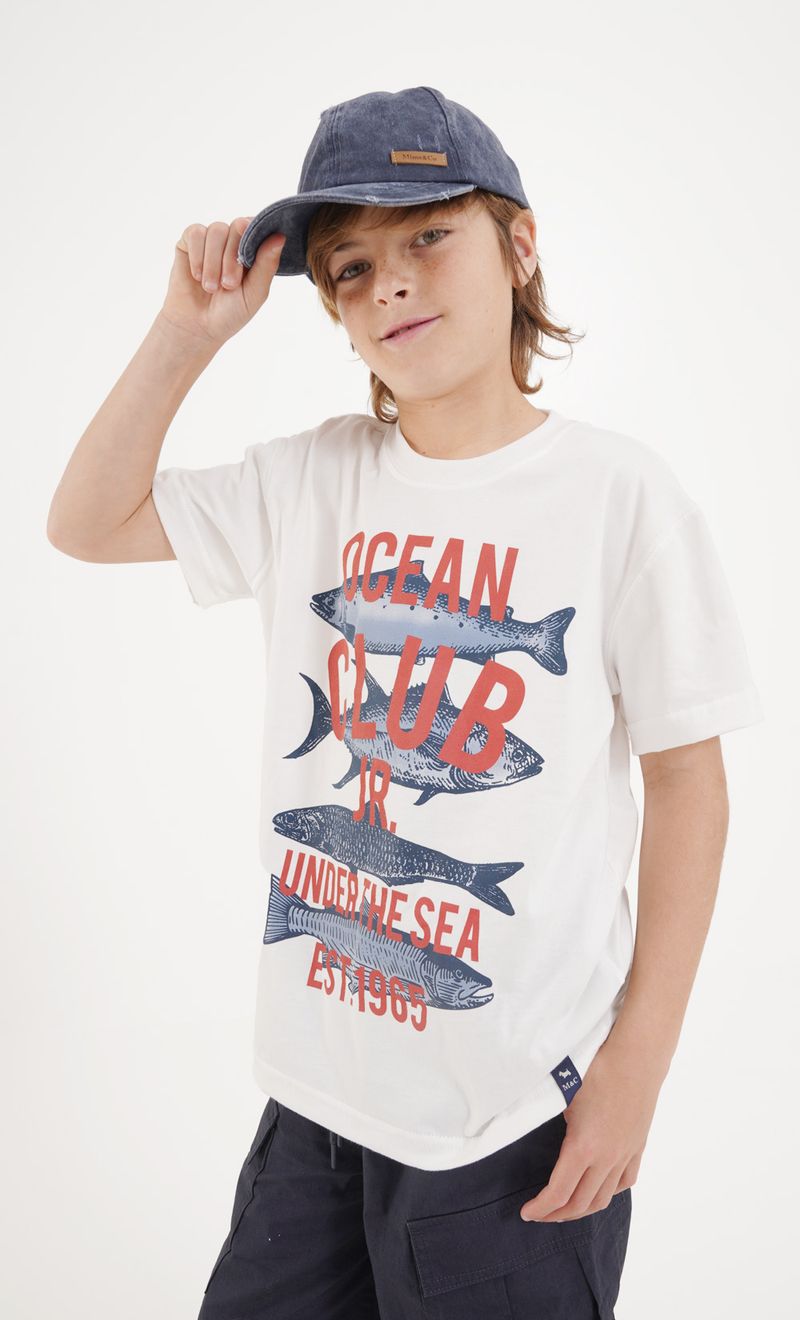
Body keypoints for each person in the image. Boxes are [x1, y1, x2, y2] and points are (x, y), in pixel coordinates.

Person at [47, 86, 763, 1318]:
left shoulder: (618, 497)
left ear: (518, 245)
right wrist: (185, 333)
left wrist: (635, 1072)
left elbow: (688, 785)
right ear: (333, 313)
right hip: (312, 1110)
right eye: (349, 267)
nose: (389, 282)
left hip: (512, 1122)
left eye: (428, 235)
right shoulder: (312, 480)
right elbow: (85, 521)